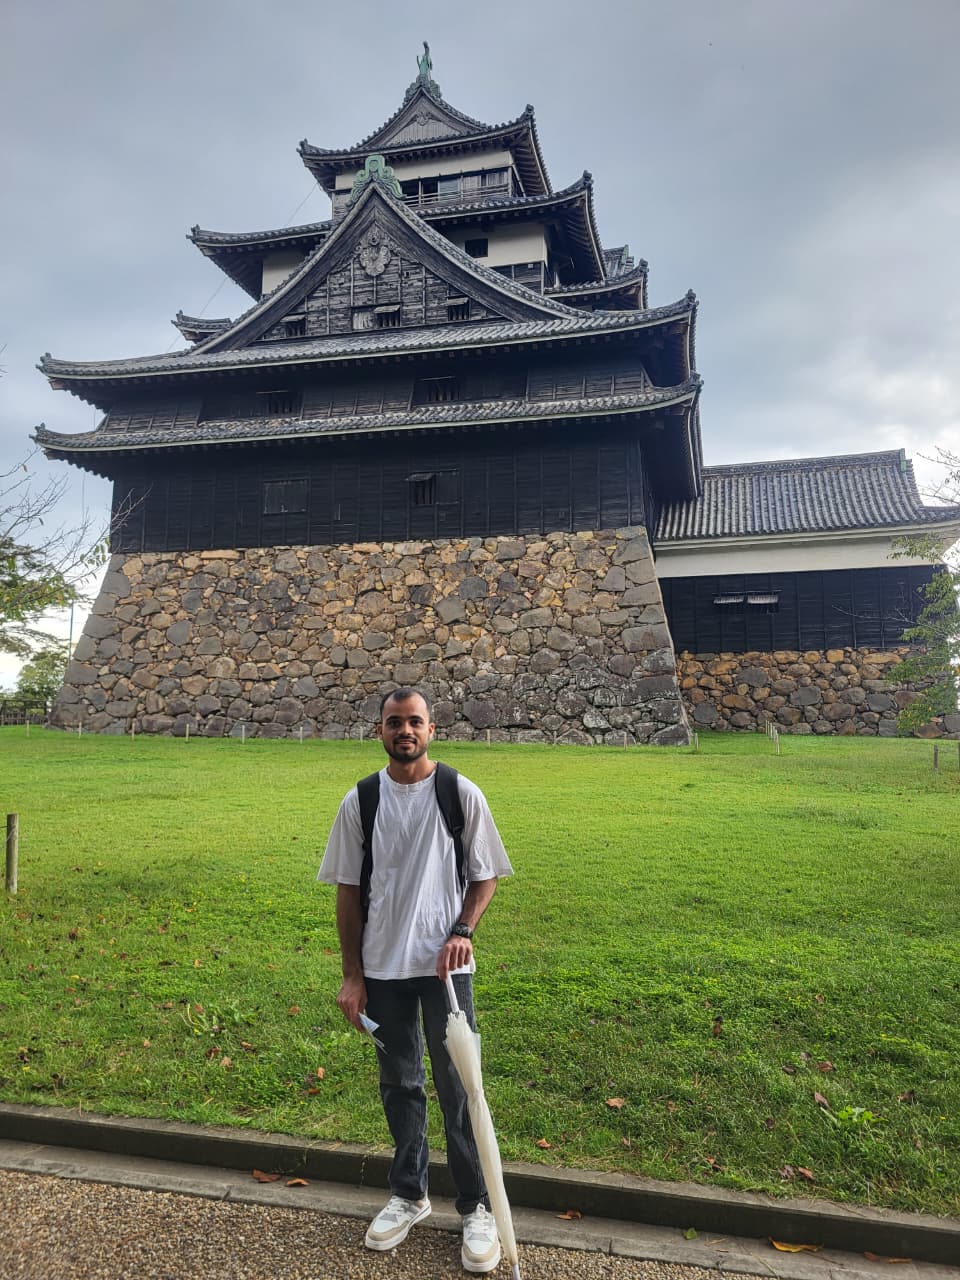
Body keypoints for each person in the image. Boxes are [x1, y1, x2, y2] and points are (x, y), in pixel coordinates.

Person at [318, 687, 513, 1273]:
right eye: (394, 722)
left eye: (415, 722)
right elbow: (348, 894)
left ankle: (476, 1207)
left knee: (460, 1089)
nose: (405, 730)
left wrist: (463, 930)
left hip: (447, 974)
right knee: (400, 1085)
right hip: (383, 972)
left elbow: (485, 878)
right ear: (379, 730)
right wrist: (353, 977)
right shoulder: (362, 800)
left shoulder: (459, 793)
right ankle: (410, 1193)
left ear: (432, 729)